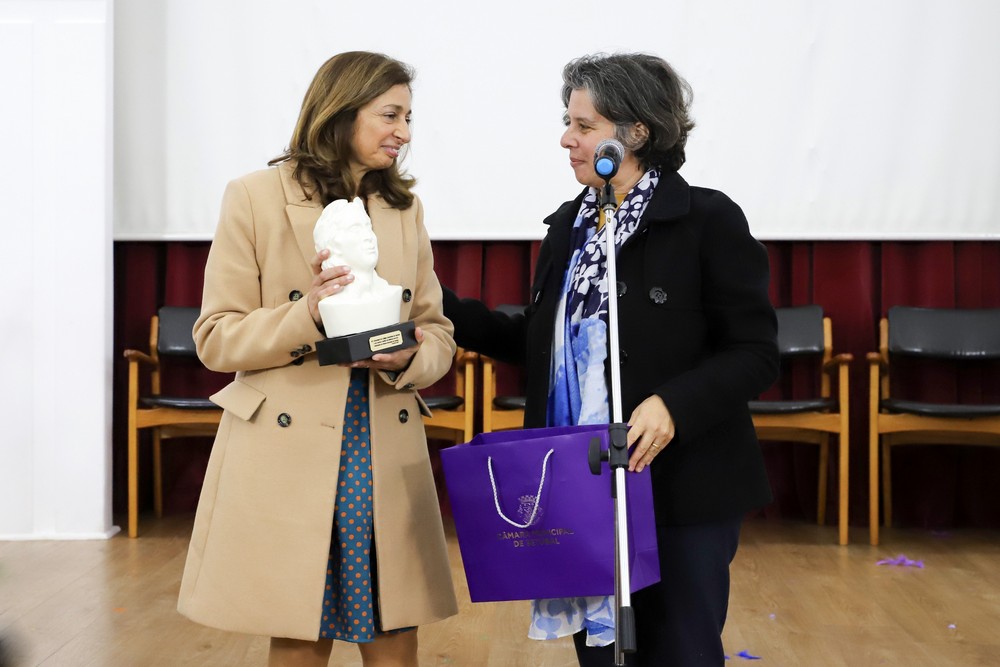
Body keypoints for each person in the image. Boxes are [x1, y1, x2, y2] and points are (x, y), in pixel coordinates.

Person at [443, 53, 778, 666]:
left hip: (682, 487)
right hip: (583, 487)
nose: (566, 139)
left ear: (637, 132)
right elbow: (538, 346)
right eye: (567, 122)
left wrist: (674, 405)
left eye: (584, 125)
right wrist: (436, 304)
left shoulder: (707, 220)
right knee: (602, 657)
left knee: (680, 651)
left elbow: (754, 352)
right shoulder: (570, 226)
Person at [177, 51, 458, 667]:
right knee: (301, 628)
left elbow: (437, 332)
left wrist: (408, 356)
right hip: (290, 449)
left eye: (409, 116)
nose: (404, 133)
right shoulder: (253, 197)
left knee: (395, 628)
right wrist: (305, 315)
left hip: (383, 438)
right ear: (341, 112)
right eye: (390, 114)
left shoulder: (404, 210)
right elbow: (216, 338)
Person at [313, 196, 402, 337]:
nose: (368, 236)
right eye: (355, 229)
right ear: (333, 245)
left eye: (368, 227)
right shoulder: (334, 304)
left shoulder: (391, 292)